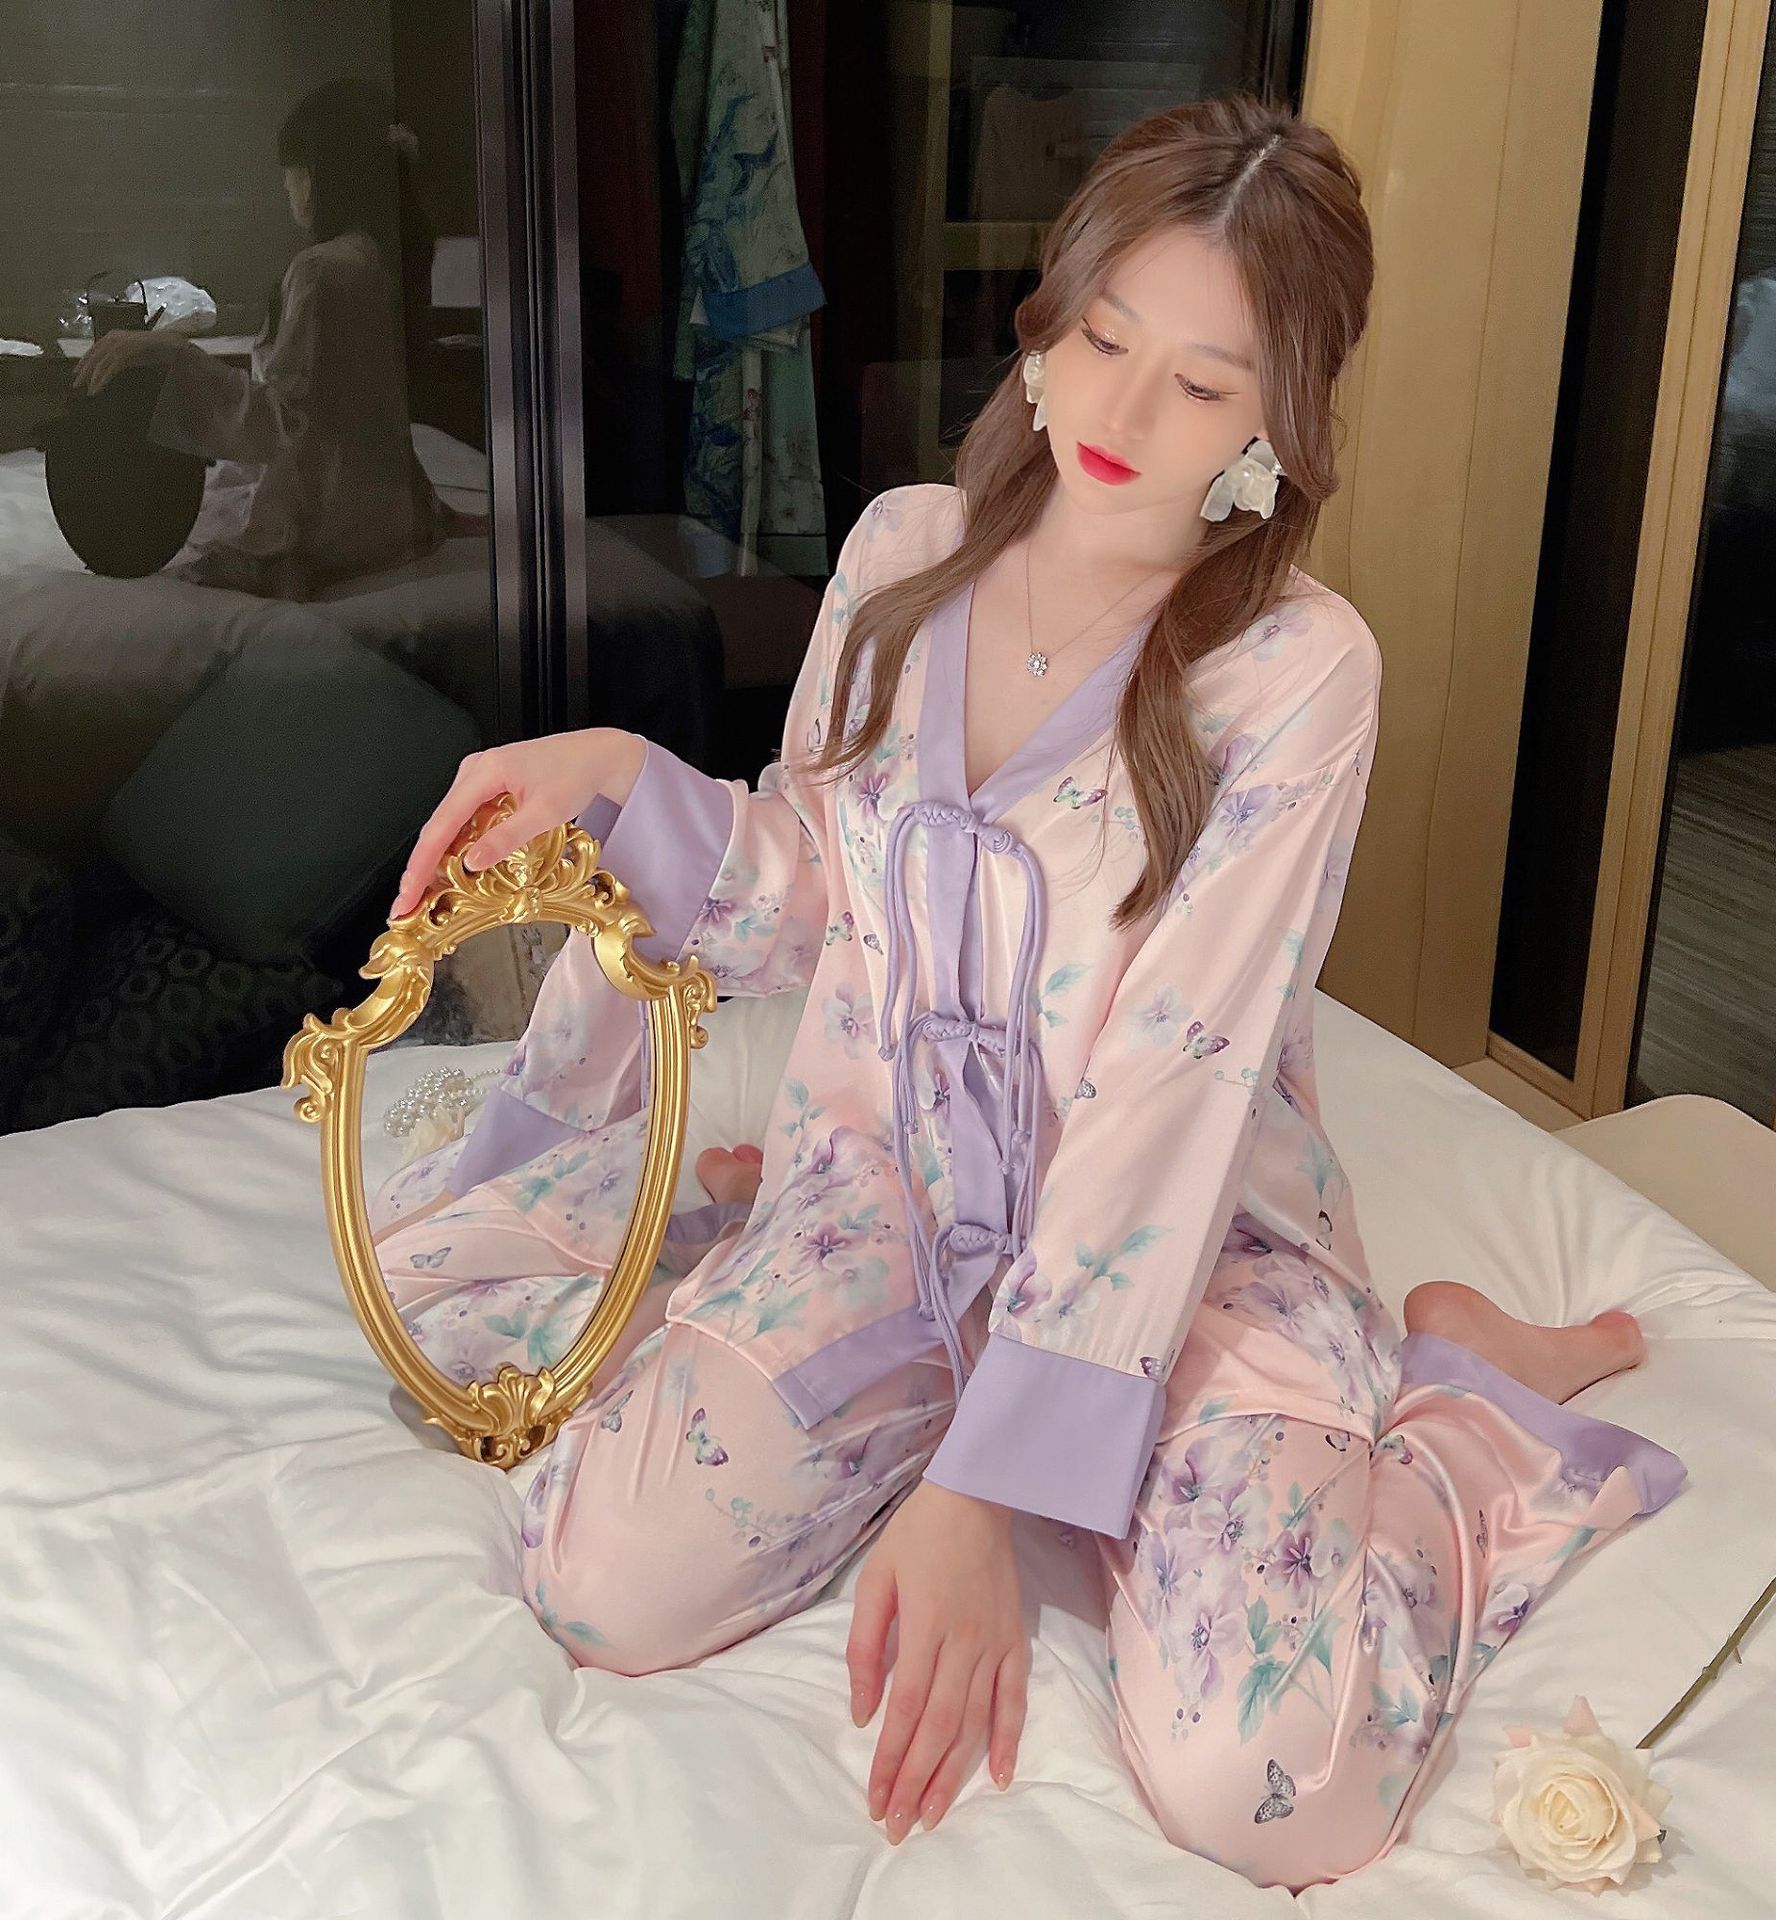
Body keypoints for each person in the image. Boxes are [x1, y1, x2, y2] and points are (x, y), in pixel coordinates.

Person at [369, 95, 1687, 1892]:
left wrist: (984, 1492)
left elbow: (1175, 1083)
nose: (1126, 414)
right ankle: (862, 1327)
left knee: (1264, 1788)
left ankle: (1454, 1399)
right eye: (1105, 338)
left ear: (1279, 426)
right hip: (895, 1195)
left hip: (1188, 1249)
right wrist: (615, 774)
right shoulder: (906, 554)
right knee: (602, 1582)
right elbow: (815, 875)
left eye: (1204, 385)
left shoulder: (1295, 671)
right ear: (1048, 322)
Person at [71, 77, 446, 598]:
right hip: (395, 518)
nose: (287, 189)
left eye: (291, 175)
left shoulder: (322, 271)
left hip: (337, 528)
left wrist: (173, 353)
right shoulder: (386, 258)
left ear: (316, 175)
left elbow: (285, 423)